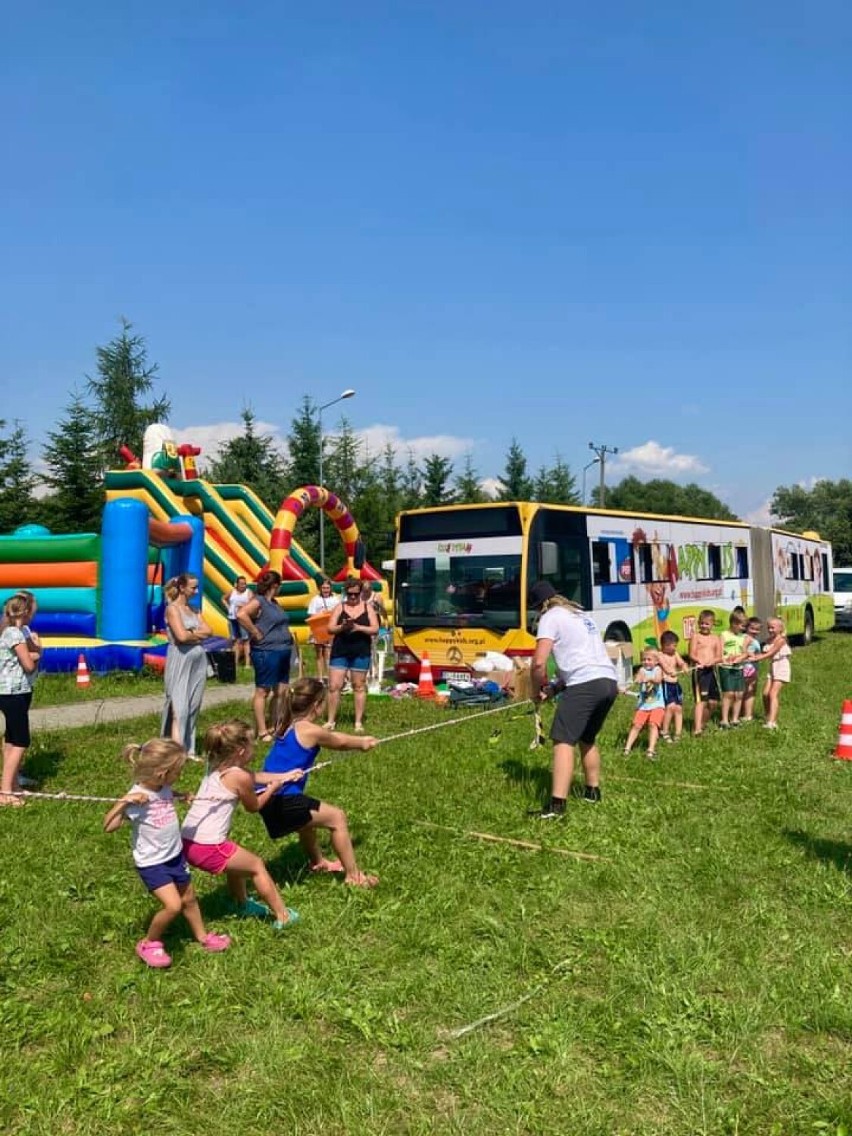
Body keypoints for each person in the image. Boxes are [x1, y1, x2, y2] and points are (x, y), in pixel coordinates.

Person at [103, 738, 231, 968]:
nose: (180, 775)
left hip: (174, 856)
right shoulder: (137, 797)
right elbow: (109, 826)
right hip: (153, 863)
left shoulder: (163, 788)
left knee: (189, 899)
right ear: (162, 773)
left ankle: (202, 936)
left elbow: (166, 796)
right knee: (173, 906)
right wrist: (123, 803)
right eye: (178, 772)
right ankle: (149, 943)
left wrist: (180, 795)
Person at [257, 677, 379, 887]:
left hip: (265, 797)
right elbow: (339, 741)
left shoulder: (284, 723)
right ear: (316, 705)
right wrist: (362, 742)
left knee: (306, 822)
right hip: (281, 798)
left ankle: (319, 862)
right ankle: (354, 876)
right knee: (337, 818)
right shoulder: (308, 729)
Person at [181, 721, 300, 929]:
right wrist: (273, 789)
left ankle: (241, 903)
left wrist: (285, 776)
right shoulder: (240, 776)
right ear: (241, 751)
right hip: (208, 846)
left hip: (187, 842)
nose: (255, 748)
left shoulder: (214, 762)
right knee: (256, 866)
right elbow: (253, 806)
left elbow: (256, 777)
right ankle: (283, 916)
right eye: (253, 744)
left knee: (235, 858)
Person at [528, 580, 618, 819]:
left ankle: (557, 807)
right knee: (587, 737)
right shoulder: (579, 614)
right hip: (608, 682)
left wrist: (535, 690)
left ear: (539, 606)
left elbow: (538, 662)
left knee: (563, 740)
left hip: (585, 684)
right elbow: (579, 659)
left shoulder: (550, 617)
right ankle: (592, 792)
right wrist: (554, 689)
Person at [237, 570, 294, 743]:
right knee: (263, 690)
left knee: (281, 690)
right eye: (279, 586)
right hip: (266, 651)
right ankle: (262, 730)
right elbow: (241, 614)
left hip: (283, 649)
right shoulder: (258, 601)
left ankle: (275, 725)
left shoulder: (275, 603)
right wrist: (255, 632)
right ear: (275, 586)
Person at [161, 574, 211, 756]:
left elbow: (209, 631)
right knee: (180, 708)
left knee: (193, 706)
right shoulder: (173, 610)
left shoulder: (195, 609)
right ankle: (177, 752)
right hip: (180, 660)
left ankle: (188, 749)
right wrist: (196, 635)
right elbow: (180, 637)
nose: (196, 591)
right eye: (193, 588)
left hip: (198, 660)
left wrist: (191, 634)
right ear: (182, 588)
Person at [0, 594, 41, 805]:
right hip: (13, 692)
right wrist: (35, 653)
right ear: (24, 612)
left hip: (9, 692)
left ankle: (13, 784)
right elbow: (29, 665)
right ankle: (5, 792)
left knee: (11, 740)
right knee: (20, 741)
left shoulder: (7, 632)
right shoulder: (15, 634)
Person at [324, 577, 379, 732]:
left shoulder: (368, 608)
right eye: (350, 594)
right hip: (340, 650)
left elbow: (375, 628)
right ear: (346, 593)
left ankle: (358, 722)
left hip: (360, 651)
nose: (353, 597)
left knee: (359, 686)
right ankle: (330, 721)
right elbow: (330, 628)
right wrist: (342, 627)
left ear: (361, 592)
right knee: (334, 686)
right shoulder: (339, 607)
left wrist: (358, 627)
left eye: (356, 594)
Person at [623, 648, 665, 759]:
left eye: (649, 659)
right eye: (644, 659)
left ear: (656, 661)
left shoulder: (658, 669)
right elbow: (637, 678)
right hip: (643, 705)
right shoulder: (642, 670)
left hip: (657, 704)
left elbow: (658, 680)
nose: (646, 662)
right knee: (636, 725)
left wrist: (649, 678)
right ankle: (627, 748)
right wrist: (629, 686)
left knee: (653, 724)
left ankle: (650, 750)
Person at [688, 610, 722, 736]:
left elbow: (719, 656)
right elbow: (691, 654)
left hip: (711, 671)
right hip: (700, 672)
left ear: (712, 624)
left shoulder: (716, 638)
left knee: (713, 702)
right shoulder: (696, 637)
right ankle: (697, 729)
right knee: (701, 700)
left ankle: (702, 723)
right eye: (702, 623)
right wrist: (699, 660)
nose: (704, 626)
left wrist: (713, 661)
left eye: (707, 624)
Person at [757, 618, 791, 729]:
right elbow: (763, 652)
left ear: (780, 628)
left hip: (782, 667)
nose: (770, 630)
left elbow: (770, 653)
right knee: (765, 694)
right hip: (772, 667)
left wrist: (756, 658)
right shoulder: (768, 640)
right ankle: (768, 716)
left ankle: (772, 722)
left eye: (773, 627)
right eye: (768, 628)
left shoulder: (781, 640)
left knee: (773, 694)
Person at [658, 630, 689, 742]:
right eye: (673, 646)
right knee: (670, 707)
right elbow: (665, 667)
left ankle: (678, 733)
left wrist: (684, 666)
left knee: (678, 708)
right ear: (665, 645)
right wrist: (671, 671)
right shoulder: (660, 655)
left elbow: (681, 663)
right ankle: (664, 731)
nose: (675, 648)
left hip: (675, 684)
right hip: (666, 684)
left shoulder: (675, 654)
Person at [306, 579, 340, 682]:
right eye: (324, 588)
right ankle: (320, 677)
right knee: (319, 653)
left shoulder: (335, 599)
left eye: (327, 588)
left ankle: (329, 676)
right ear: (320, 588)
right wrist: (322, 615)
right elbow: (311, 614)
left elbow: (338, 612)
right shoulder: (315, 599)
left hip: (330, 628)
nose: (325, 590)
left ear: (330, 589)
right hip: (318, 629)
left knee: (328, 653)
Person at [718, 611, 747, 728]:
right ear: (734, 623)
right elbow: (719, 652)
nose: (743, 628)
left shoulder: (742, 637)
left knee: (739, 694)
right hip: (726, 668)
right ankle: (724, 720)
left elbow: (745, 652)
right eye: (741, 626)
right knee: (728, 693)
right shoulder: (724, 635)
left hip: (739, 667)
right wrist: (724, 659)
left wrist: (740, 658)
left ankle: (735, 718)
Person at [225, 576, 252, 669]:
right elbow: (223, 598)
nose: (243, 586)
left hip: (243, 618)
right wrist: (228, 607)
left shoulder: (248, 593)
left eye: (244, 584)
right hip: (232, 618)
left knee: (245, 640)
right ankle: (235, 663)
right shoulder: (232, 591)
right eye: (241, 584)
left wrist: (244, 606)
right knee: (235, 641)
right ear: (236, 584)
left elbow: (253, 604)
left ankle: (247, 664)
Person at [740, 617, 763, 722]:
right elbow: (742, 650)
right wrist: (749, 654)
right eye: (752, 628)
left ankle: (746, 714)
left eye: (757, 629)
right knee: (748, 691)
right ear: (747, 628)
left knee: (749, 691)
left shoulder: (755, 640)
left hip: (753, 667)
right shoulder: (746, 638)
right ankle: (746, 714)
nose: (755, 631)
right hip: (747, 667)